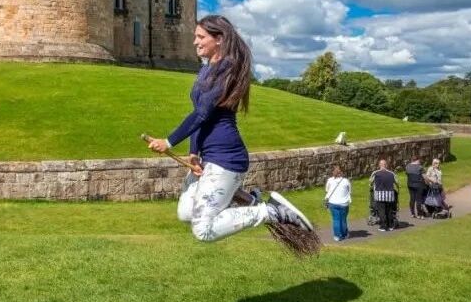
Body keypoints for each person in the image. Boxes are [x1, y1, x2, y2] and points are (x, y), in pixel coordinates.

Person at [147, 15, 313, 243]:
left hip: (226, 157)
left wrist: (168, 142)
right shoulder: (206, 69)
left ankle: (271, 212)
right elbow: (200, 114)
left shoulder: (228, 68)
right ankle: (246, 198)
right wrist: (194, 153)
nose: (195, 42)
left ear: (219, 39)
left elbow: (203, 112)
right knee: (185, 213)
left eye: (201, 37)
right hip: (207, 156)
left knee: (203, 231)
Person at [369, 159, 398, 232]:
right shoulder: (391, 173)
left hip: (380, 195)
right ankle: (390, 225)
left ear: (379, 165)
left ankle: (383, 226)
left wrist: (372, 186)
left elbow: (370, 182)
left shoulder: (375, 173)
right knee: (389, 210)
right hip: (389, 195)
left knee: (381, 211)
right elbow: (397, 183)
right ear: (386, 165)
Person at [324, 166, 351, 241]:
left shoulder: (330, 180)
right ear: (341, 172)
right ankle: (344, 234)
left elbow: (327, 190)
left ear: (333, 172)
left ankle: (337, 236)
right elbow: (349, 191)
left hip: (333, 203)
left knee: (336, 219)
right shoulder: (346, 181)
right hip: (344, 203)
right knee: (343, 219)